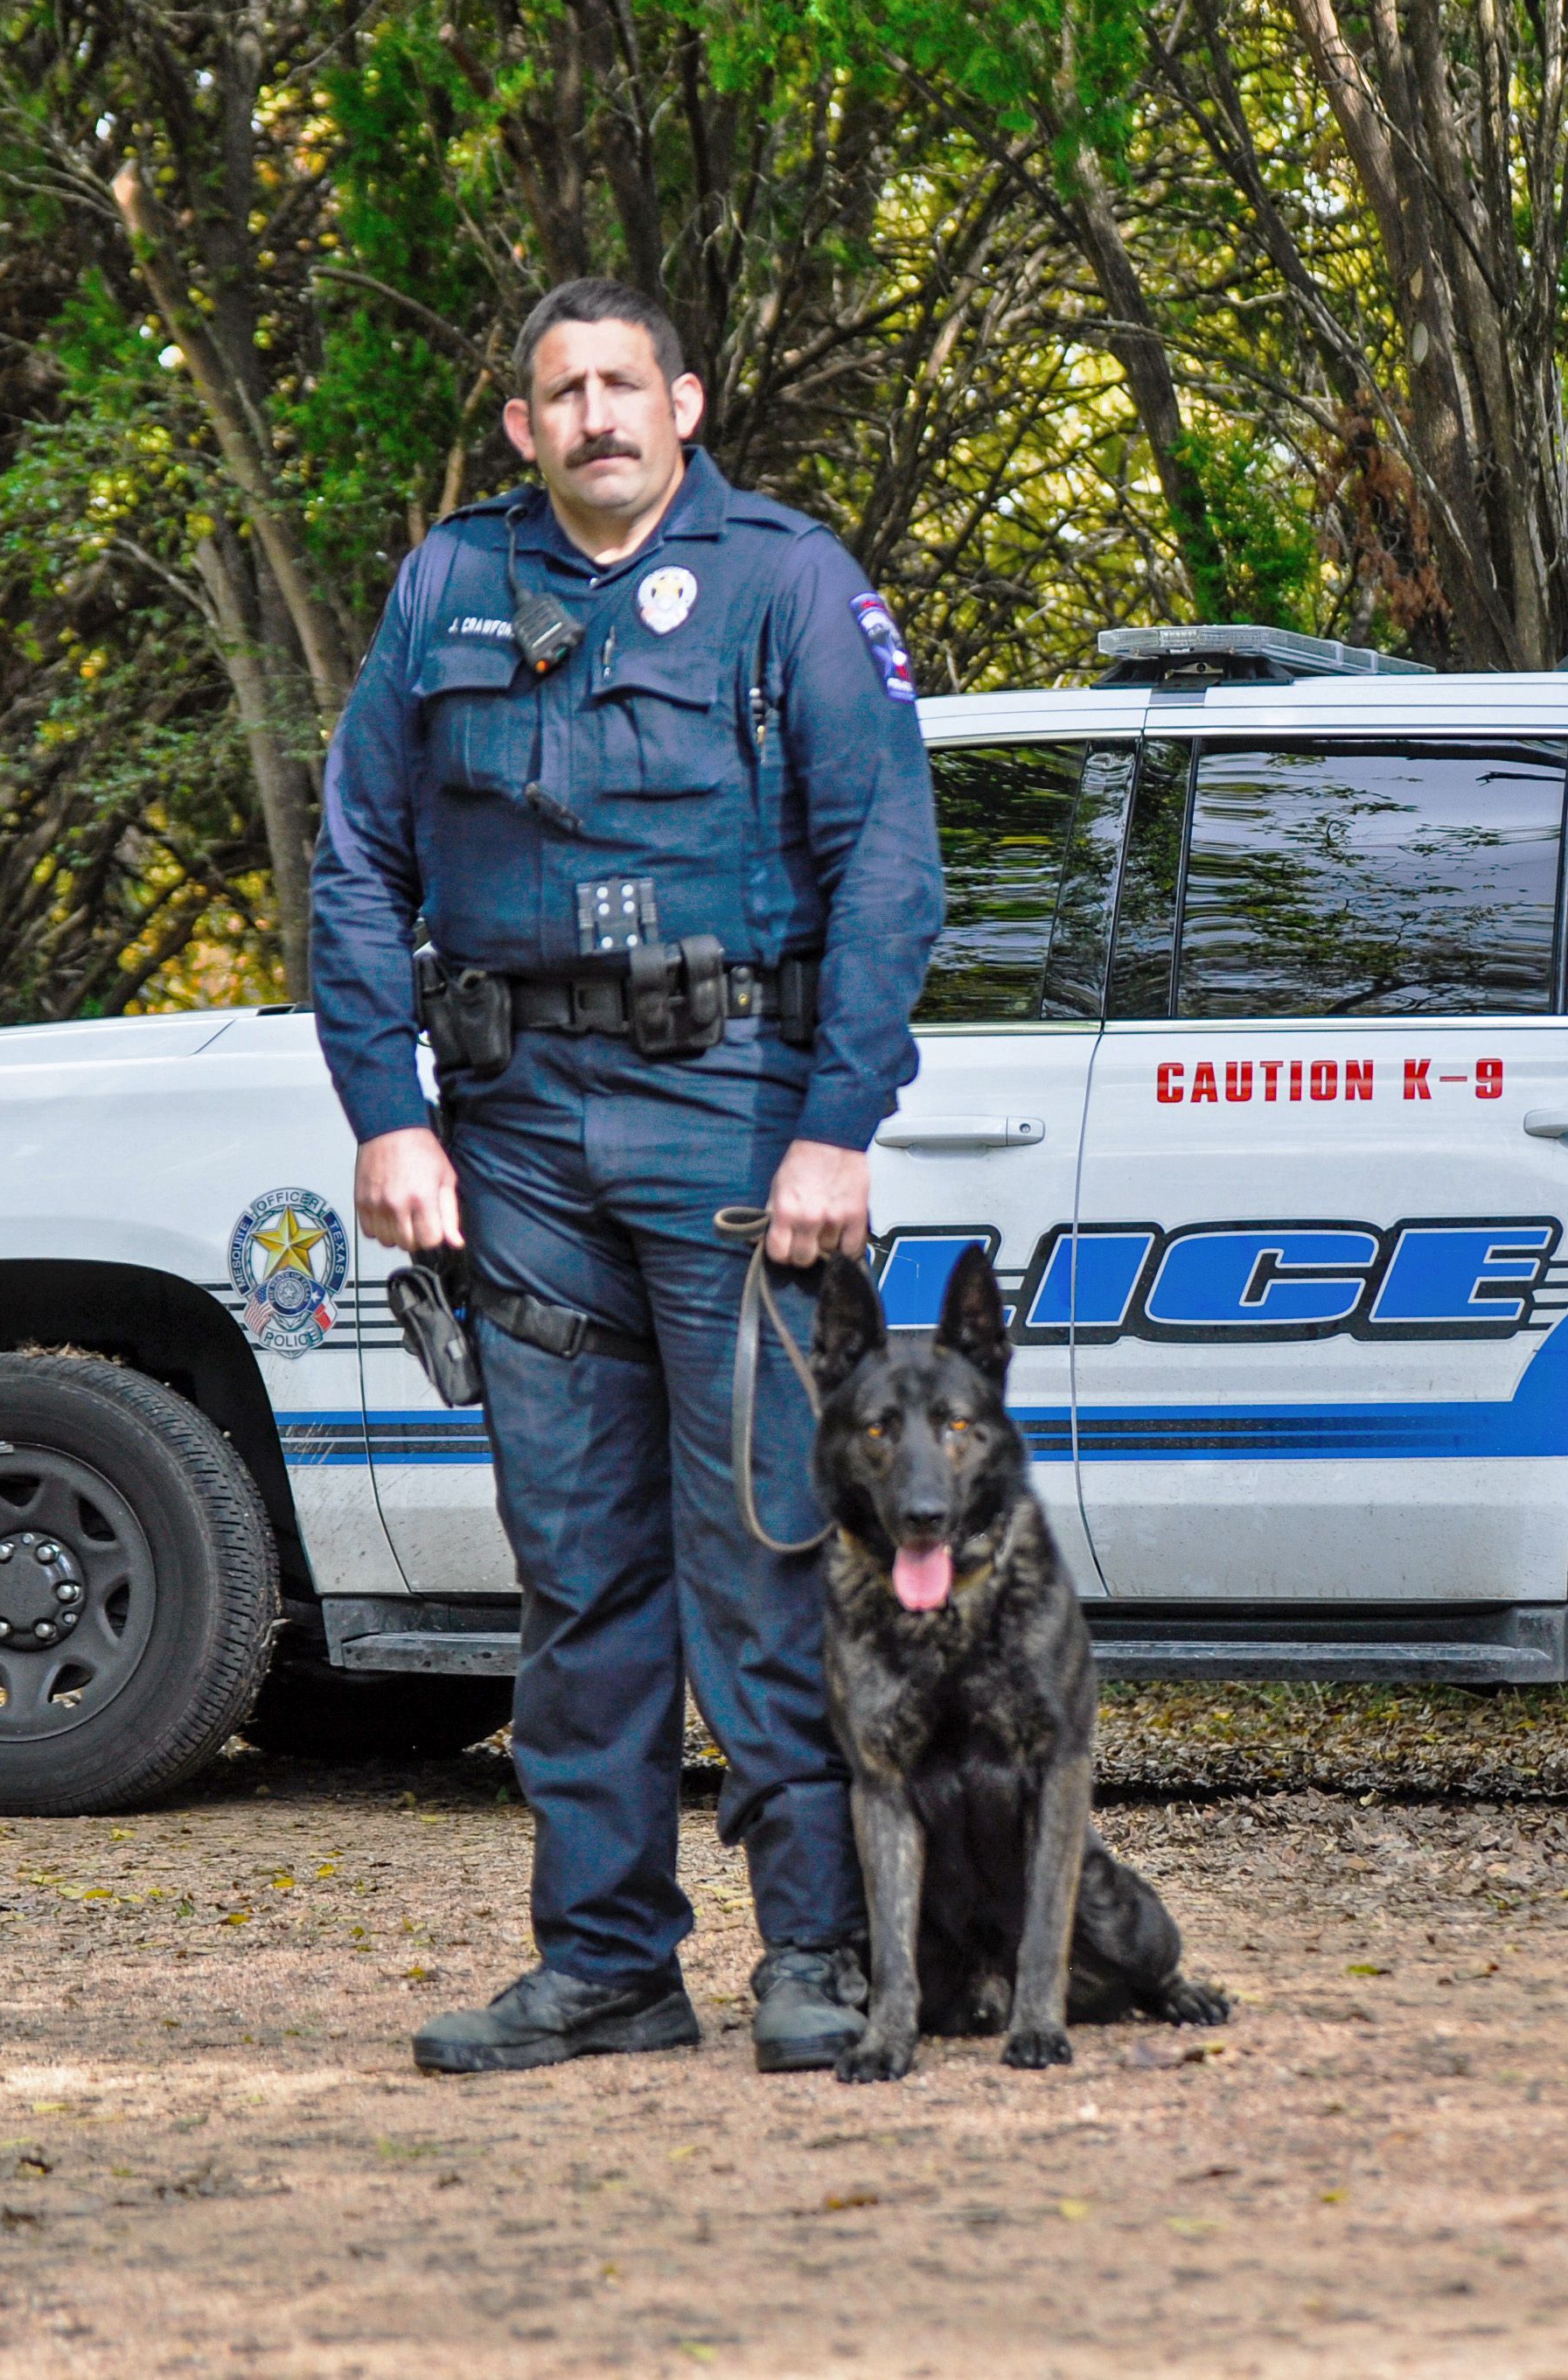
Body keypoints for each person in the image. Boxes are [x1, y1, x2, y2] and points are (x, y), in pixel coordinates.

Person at [310, 278, 942, 2076]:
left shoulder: (788, 582)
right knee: (576, 1569)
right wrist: (387, 1107)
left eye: (621, 385)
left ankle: (812, 1955)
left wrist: (839, 1123)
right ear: (522, 427)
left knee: (760, 1552)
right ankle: (605, 1963)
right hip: (513, 1127)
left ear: (685, 402)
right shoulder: (449, 586)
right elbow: (359, 854)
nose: (593, 414)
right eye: (558, 392)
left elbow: (887, 859)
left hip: (733, 1109)